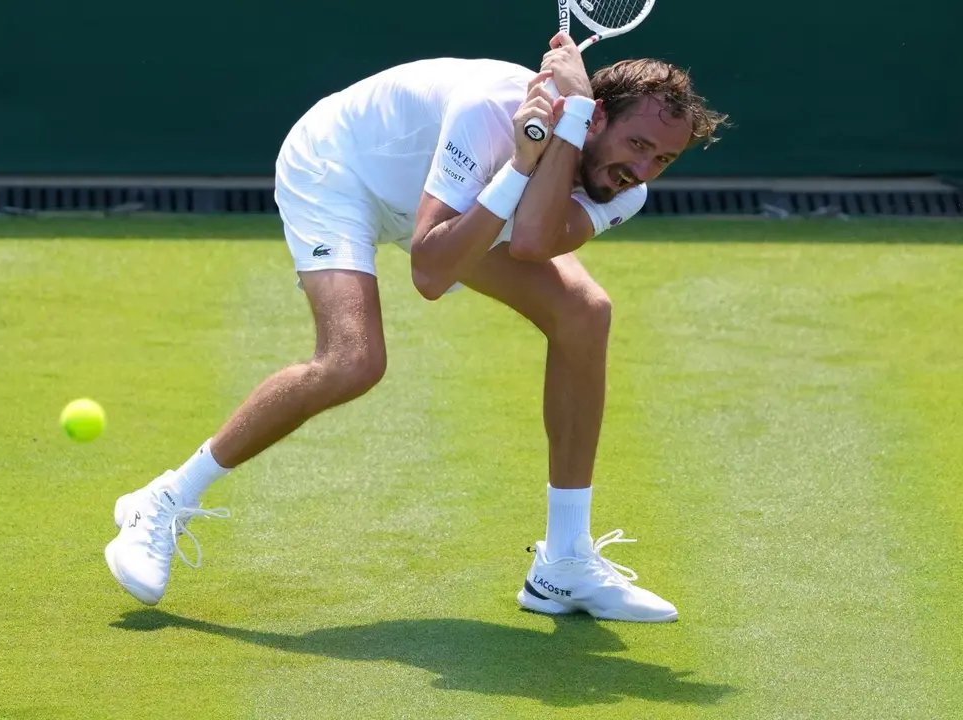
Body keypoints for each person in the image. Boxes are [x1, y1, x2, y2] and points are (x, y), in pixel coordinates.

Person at [105, 32, 728, 622]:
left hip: (464, 199)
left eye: (663, 159)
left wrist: (554, 133)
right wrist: (520, 161)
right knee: (353, 361)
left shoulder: (623, 187)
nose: (643, 170)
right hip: (344, 167)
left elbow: (535, 239)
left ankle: (564, 562)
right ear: (597, 119)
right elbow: (430, 272)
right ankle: (161, 503)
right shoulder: (490, 108)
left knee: (584, 313)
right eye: (638, 145)